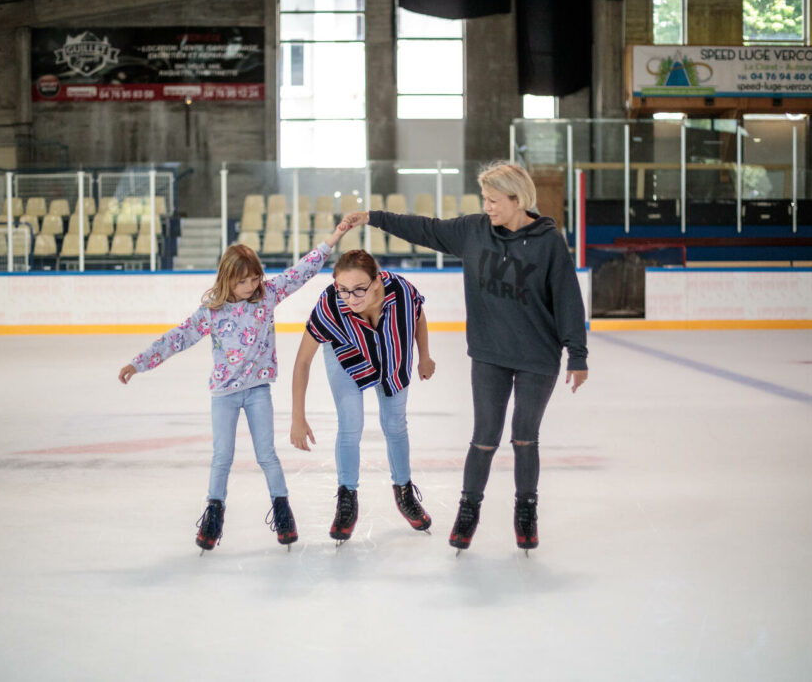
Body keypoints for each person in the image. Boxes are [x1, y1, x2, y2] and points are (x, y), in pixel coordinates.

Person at [339, 161, 589, 554]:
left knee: (525, 438)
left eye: (493, 200)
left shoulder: (548, 243)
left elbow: (568, 299)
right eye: (484, 199)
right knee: (484, 438)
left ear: (516, 198)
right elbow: (426, 229)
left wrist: (577, 354)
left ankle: (526, 512)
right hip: (489, 354)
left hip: (537, 358)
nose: (487, 206)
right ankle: (468, 510)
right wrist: (374, 217)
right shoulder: (474, 231)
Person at [118, 223, 348, 553]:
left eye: (254, 278)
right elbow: (177, 338)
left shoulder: (267, 295)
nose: (250, 285)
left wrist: (333, 239)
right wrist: (139, 363)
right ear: (228, 278)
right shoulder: (212, 312)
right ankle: (214, 515)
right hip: (224, 395)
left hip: (258, 391)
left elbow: (302, 271)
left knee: (267, 455)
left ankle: (283, 512)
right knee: (222, 457)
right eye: (243, 281)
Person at [290, 249, 436, 545]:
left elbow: (418, 316)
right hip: (347, 355)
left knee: (395, 425)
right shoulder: (330, 305)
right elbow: (303, 361)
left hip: (392, 354)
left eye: (359, 289)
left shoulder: (402, 291)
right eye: (343, 289)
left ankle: (404, 492)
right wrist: (297, 417)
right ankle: (347, 498)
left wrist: (425, 356)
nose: (351, 298)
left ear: (378, 281)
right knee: (350, 424)